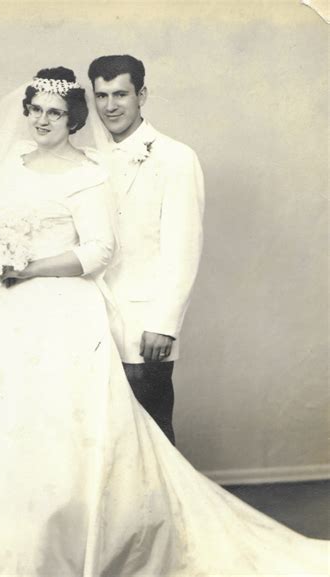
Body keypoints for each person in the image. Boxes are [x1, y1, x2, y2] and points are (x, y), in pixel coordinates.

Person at [0, 67, 327, 577]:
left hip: (59, 306)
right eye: (36, 109)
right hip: (1, 307)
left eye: (55, 113)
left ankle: (60, 547)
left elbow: (101, 248)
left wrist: (29, 268)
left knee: (59, 430)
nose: (43, 119)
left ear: (73, 120)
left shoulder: (87, 172)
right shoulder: (11, 166)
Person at [87, 54, 204, 445]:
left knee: (150, 430)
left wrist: (164, 324)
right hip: (91, 317)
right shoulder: (88, 160)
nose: (110, 106)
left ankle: (161, 508)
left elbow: (183, 246)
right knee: (102, 432)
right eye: (101, 95)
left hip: (145, 322)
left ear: (142, 95)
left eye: (120, 94)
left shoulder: (176, 157)